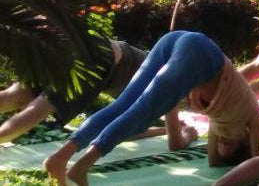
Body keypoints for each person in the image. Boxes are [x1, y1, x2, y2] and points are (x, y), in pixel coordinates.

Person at [44, 30, 259, 186]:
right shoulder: (252, 116)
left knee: (124, 105)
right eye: (229, 144)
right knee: (141, 112)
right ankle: (81, 167)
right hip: (200, 53)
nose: (222, 141)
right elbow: (258, 165)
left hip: (183, 43)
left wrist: (189, 136)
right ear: (244, 141)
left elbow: (213, 162)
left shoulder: (221, 123)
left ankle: (60, 157)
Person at [0, 39, 148, 144]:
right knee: (37, 110)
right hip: (96, 58)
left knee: (16, 96)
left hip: (84, 44)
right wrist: (160, 131)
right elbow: (126, 131)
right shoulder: (160, 85)